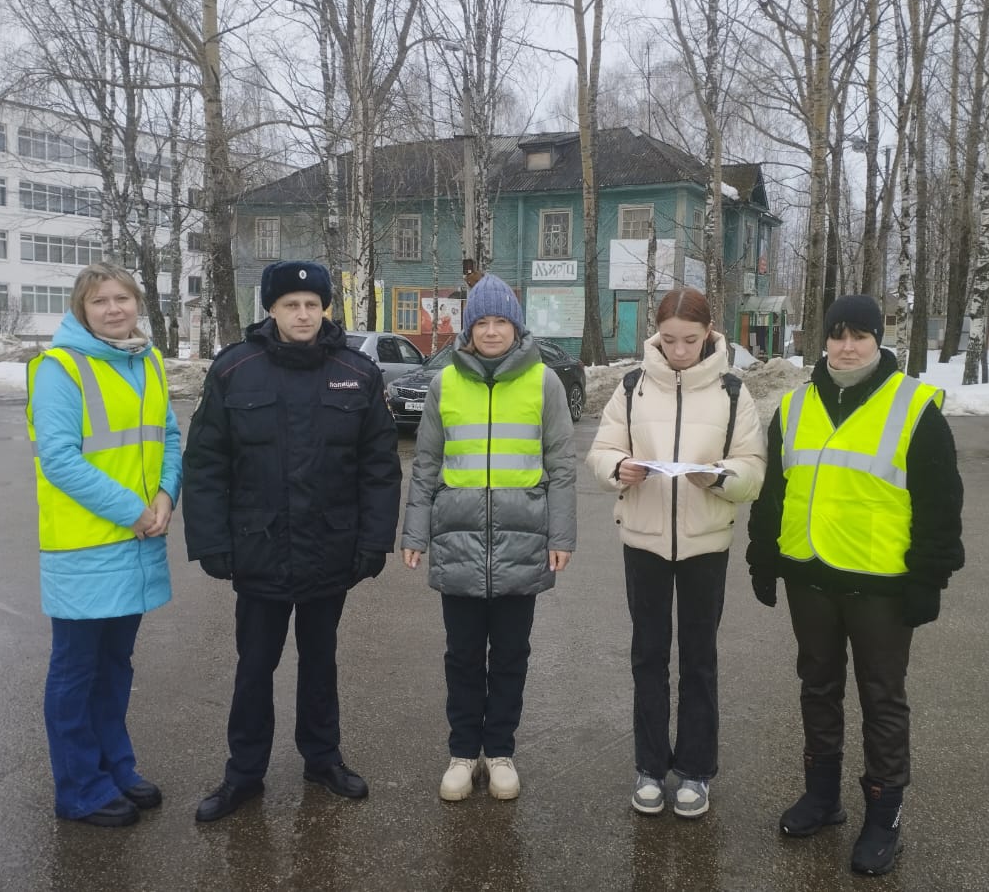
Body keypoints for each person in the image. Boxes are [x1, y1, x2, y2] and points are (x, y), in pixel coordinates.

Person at [746, 294, 964, 876]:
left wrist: (929, 577)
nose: (848, 346)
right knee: (817, 686)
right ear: (824, 339)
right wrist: (762, 557)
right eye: (838, 334)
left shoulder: (914, 407)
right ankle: (822, 798)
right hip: (810, 577)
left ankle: (883, 817)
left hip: (882, 586)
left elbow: (941, 505)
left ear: (878, 339)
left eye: (860, 335)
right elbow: (773, 494)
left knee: (881, 698)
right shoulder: (794, 407)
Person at [183, 261, 402, 823]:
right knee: (255, 665)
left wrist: (373, 542)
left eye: (312, 304)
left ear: (325, 308)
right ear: (272, 310)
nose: (302, 314)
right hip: (258, 549)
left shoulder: (357, 372)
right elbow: (207, 463)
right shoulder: (236, 369)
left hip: (331, 549)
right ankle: (243, 774)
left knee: (320, 661)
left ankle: (322, 759)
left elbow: (379, 467)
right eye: (290, 305)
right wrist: (211, 540)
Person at [586, 287, 766, 819]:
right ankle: (648, 768)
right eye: (669, 339)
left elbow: (752, 465)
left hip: (705, 545)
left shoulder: (734, 392)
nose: (680, 350)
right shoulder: (632, 386)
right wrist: (619, 468)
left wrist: (722, 479)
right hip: (642, 541)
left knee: (699, 659)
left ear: (710, 333)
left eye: (691, 339)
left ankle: (695, 771)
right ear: (656, 334)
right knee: (647, 656)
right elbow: (602, 451)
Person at [401, 274, 576, 802]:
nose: (492, 331)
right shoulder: (444, 384)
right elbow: (427, 463)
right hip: (458, 539)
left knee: (510, 655)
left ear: (516, 326)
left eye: (501, 321)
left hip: (522, 541)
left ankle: (499, 751)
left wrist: (560, 534)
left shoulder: (544, 382)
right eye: (483, 322)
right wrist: (415, 531)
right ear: (469, 328)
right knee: (461, 654)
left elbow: (561, 465)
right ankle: (461, 752)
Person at [25, 262, 181, 828]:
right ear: (80, 309)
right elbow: (60, 460)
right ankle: (79, 787)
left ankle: (116, 766)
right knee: (75, 670)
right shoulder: (58, 368)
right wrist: (135, 511)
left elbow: (167, 434)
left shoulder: (148, 361)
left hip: (138, 539)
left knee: (115, 666)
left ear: (137, 303)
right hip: (85, 546)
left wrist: (167, 493)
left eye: (123, 298)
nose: (114, 309)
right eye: (100, 302)